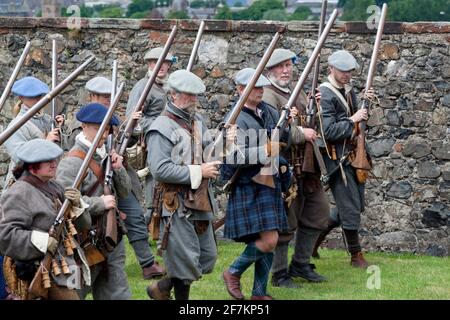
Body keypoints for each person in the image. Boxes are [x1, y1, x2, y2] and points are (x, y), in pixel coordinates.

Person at [221, 68, 296, 300]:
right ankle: (233, 272)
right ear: (240, 90)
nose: (260, 90)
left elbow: (284, 140)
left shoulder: (268, 111)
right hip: (249, 183)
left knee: (268, 238)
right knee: (269, 239)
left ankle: (259, 293)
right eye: (255, 87)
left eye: (261, 86)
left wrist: (289, 125)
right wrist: (264, 150)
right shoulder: (234, 119)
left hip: (270, 180)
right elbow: (233, 157)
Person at [145, 70, 219, 300]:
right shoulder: (161, 127)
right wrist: (199, 171)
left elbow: (208, 151)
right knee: (185, 262)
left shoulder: (196, 121)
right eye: (189, 95)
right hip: (175, 203)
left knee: (206, 258)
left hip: (199, 200)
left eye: (196, 95)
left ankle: (162, 287)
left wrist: (226, 142)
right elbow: (160, 169)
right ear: (173, 95)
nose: (194, 100)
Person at [263, 49, 330, 286]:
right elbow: (273, 131)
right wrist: (300, 132)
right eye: (280, 66)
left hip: (308, 165)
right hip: (285, 167)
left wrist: (316, 108)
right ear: (270, 70)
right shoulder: (268, 96)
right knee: (286, 223)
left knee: (318, 214)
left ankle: (300, 265)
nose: (285, 70)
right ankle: (279, 274)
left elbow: (313, 122)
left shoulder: (297, 91)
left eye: (288, 65)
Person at [56, 103, 133, 299]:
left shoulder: (106, 155)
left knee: (117, 293)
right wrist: (99, 203)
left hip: (110, 235)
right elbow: (63, 203)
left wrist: (118, 168)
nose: (103, 132)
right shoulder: (71, 162)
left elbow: (124, 192)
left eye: (106, 128)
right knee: (74, 292)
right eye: (97, 127)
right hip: (83, 240)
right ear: (83, 127)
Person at [0, 139, 91, 300]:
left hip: (67, 265)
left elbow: (84, 225)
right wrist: (43, 241)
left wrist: (78, 204)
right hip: (39, 269)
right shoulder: (17, 193)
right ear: (32, 166)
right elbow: (5, 236)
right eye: (47, 161)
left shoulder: (55, 187)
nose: (54, 164)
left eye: (54, 159)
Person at [314, 50, 374, 268]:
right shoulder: (325, 93)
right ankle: (356, 256)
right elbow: (328, 131)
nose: (348, 74)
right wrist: (353, 118)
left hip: (352, 155)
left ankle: (313, 243)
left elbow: (358, 123)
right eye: (343, 71)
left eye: (350, 71)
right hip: (336, 158)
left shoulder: (347, 90)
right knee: (349, 208)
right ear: (331, 69)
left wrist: (365, 105)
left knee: (352, 206)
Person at [126, 47, 176, 227]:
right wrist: (160, 126)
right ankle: (144, 225)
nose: (160, 66)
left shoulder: (171, 86)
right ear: (149, 64)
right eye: (156, 63)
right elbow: (133, 120)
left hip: (173, 142)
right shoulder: (142, 87)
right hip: (152, 141)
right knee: (153, 185)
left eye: (164, 63)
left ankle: (164, 226)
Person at [3, 76, 63, 193]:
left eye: (39, 96)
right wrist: (46, 143)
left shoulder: (46, 119)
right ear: (21, 97)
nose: (37, 100)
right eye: (32, 97)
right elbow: (19, 157)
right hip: (24, 183)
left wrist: (60, 126)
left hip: (44, 180)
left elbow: (59, 149)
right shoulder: (16, 125)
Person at [63, 76, 113, 151]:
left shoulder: (112, 117)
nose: (110, 100)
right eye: (106, 97)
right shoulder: (81, 120)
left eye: (111, 97)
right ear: (93, 96)